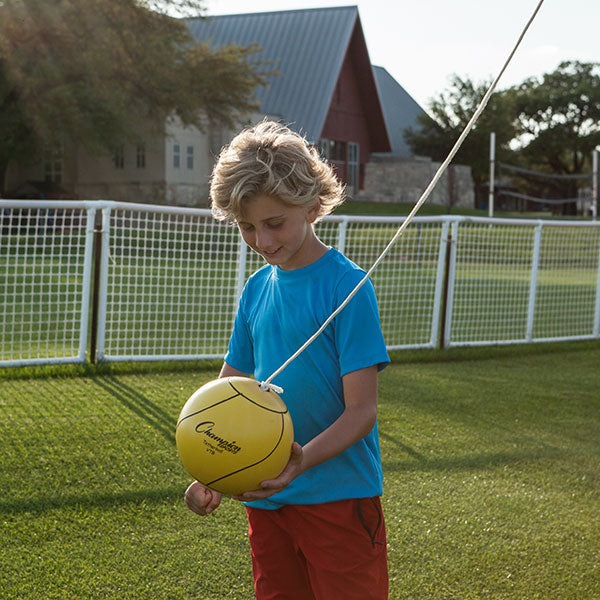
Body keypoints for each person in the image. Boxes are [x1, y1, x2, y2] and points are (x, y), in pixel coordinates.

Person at [185, 120, 390, 600]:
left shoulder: (348, 288)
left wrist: (302, 460)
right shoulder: (256, 290)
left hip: (340, 497)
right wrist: (210, 468)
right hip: (267, 498)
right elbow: (228, 391)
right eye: (247, 226)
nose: (261, 239)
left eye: (274, 222)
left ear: (313, 205)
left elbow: (362, 410)